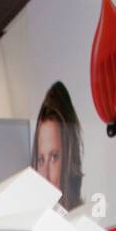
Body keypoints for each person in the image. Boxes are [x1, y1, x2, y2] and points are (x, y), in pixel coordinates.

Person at [31, 81, 85, 210]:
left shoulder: (85, 224)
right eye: (41, 160)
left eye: (54, 157)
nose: (45, 176)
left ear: (70, 160)